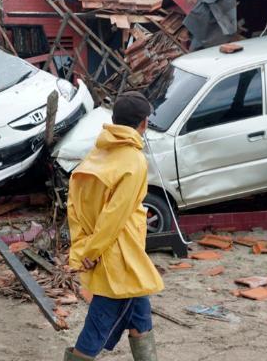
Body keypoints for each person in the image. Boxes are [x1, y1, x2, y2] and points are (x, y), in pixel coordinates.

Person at [64, 91, 164, 361]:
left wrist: (83, 245)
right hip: (119, 257)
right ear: (143, 123)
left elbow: (74, 206)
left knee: (140, 317)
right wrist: (91, 253)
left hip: (114, 252)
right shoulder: (133, 160)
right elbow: (115, 217)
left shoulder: (97, 154)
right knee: (98, 325)